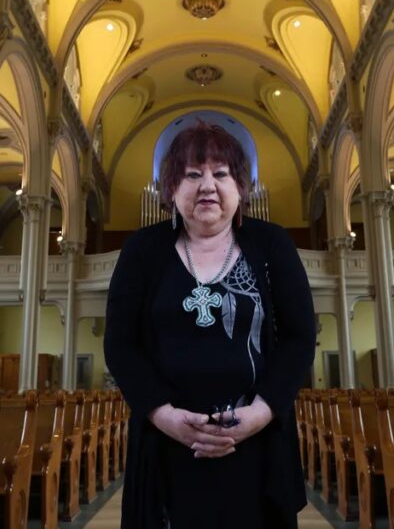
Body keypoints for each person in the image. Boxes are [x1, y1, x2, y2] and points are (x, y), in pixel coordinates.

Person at [104, 121, 316, 528]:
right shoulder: (142, 251)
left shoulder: (271, 245)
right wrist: (164, 415)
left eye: (221, 174)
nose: (207, 185)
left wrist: (259, 413)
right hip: (165, 445)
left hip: (256, 444)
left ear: (241, 187)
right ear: (171, 189)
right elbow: (120, 345)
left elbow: (299, 337)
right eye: (192, 174)